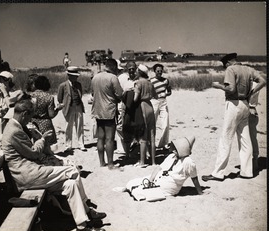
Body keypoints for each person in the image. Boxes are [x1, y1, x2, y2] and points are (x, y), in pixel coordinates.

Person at [1, 98, 107, 231]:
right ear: (24, 114)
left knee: (70, 185)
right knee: (73, 170)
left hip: (31, 173)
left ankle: (82, 226)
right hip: (28, 175)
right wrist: (42, 139)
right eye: (29, 117)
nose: (29, 120)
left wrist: (37, 138)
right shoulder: (15, 131)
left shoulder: (13, 126)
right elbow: (34, 153)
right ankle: (89, 211)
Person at [202, 53, 266, 182]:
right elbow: (263, 81)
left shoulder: (231, 69)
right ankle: (247, 171)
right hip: (245, 104)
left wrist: (218, 85)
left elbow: (230, 89)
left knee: (226, 137)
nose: (225, 67)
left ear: (228, 62)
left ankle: (218, 173)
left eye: (225, 65)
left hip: (233, 104)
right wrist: (251, 92)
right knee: (245, 139)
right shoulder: (248, 69)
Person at [113, 136, 205, 199]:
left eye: (176, 149)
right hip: (159, 177)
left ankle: (134, 190)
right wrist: (151, 179)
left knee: (140, 192)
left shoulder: (188, 162)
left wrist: (200, 192)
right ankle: (128, 188)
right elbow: (158, 168)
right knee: (132, 182)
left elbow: (194, 178)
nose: (173, 150)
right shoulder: (172, 156)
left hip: (170, 184)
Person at [91, 58, 123, 169]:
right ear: (113, 67)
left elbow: (92, 93)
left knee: (100, 138)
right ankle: (110, 164)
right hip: (109, 110)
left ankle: (102, 162)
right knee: (110, 138)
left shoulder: (95, 77)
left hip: (98, 110)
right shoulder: (113, 78)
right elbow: (120, 94)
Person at [57, 66, 86, 151]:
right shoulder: (62, 85)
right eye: (74, 76)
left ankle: (81, 144)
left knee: (80, 126)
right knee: (68, 127)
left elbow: (80, 95)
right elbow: (59, 98)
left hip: (78, 106)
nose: (76, 77)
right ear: (69, 75)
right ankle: (68, 145)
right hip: (69, 108)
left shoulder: (78, 85)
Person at [133, 64, 157, 167]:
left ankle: (142, 161)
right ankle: (153, 161)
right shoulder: (149, 83)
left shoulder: (138, 83)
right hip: (150, 106)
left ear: (139, 72)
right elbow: (155, 95)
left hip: (142, 106)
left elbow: (135, 98)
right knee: (152, 134)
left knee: (143, 134)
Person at [30, 75, 62, 145]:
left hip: (32, 122)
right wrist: (57, 109)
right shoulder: (49, 97)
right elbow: (51, 114)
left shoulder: (30, 96)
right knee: (46, 145)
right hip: (45, 123)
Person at [114, 60, 135, 155]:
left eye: (133, 68)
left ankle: (127, 145)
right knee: (121, 126)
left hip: (127, 105)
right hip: (123, 104)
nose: (131, 70)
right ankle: (127, 144)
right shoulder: (123, 78)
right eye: (129, 68)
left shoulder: (125, 78)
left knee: (123, 125)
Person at [150, 63, 172, 148]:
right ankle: (151, 143)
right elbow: (149, 92)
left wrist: (166, 94)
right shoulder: (151, 81)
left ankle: (163, 143)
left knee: (165, 123)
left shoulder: (166, 80)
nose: (159, 72)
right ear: (154, 71)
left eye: (161, 71)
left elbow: (169, 91)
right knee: (152, 123)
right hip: (154, 102)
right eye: (158, 71)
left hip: (163, 102)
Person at [248, 80, 265, 174]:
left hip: (250, 110)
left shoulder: (251, 84)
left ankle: (254, 163)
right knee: (252, 138)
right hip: (252, 111)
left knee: (251, 138)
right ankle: (254, 162)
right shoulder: (254, 83)